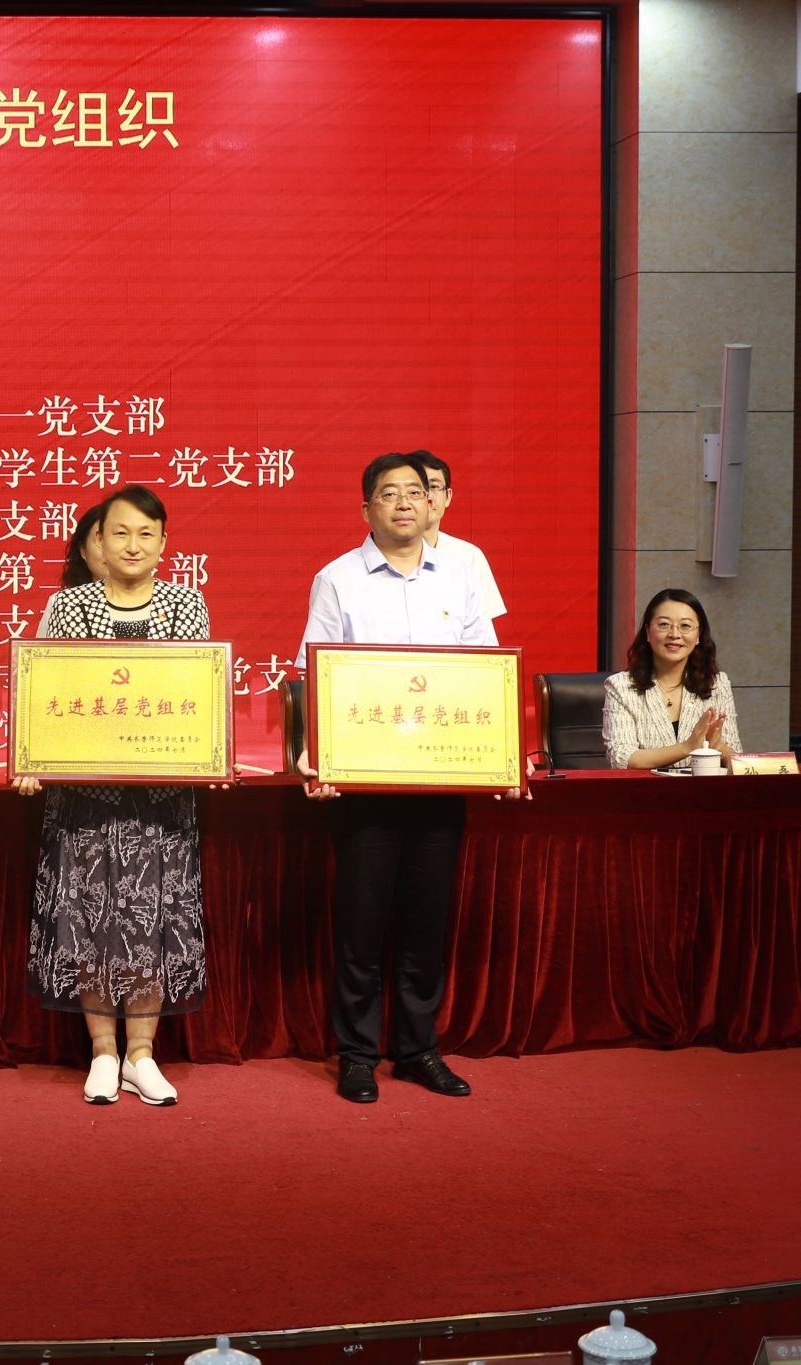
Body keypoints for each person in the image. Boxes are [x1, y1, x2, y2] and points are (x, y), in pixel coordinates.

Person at [294, 452, 507, 1105]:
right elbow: (313, 673)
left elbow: (486, 671)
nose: (405, 503)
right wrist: (313, 754)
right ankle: (358, 1055)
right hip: (364, 783)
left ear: (433, 502)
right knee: (360, 925)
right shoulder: (337, 578)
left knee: (426, 922)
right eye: (389, 493)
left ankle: (418, 1051)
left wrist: (500, 755)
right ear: (367, 509)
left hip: (440, 777)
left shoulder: (460, 576)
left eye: (415, 491)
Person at [15, 486, 209, 1106]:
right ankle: (103, 1053)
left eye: (146, 534)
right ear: (98, 540)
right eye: (119, 532)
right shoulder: (68, 606)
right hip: (85, 796)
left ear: (164, 543)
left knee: (152, 919)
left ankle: (142, 1056)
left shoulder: (186, 605)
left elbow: (194, 694)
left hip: (159, 797)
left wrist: (208, 752)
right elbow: (48, 691)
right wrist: (32, 758)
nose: (132, 545)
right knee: (88, 919)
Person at [602, 588, 741, 770]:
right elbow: (621, 758)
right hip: (645, 787)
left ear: (698, 636)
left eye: (685, 626)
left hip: (702, 787)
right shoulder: (622, 686)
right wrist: (687, 747)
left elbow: (737, 760)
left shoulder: (716, 684)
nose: (674, 634)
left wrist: (718, 746)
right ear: (648, 631)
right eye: (664, 624)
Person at [413, 451, 506, 620]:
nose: (428, 497)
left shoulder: (468, 556)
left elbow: (483, 630)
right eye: (417, 489)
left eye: (434, 487)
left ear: (448, 496)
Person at [34, 500, 108, 637]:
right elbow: (41, 651)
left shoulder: (154, 602)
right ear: (83, 550)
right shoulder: (64, 604)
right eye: (101, 541)